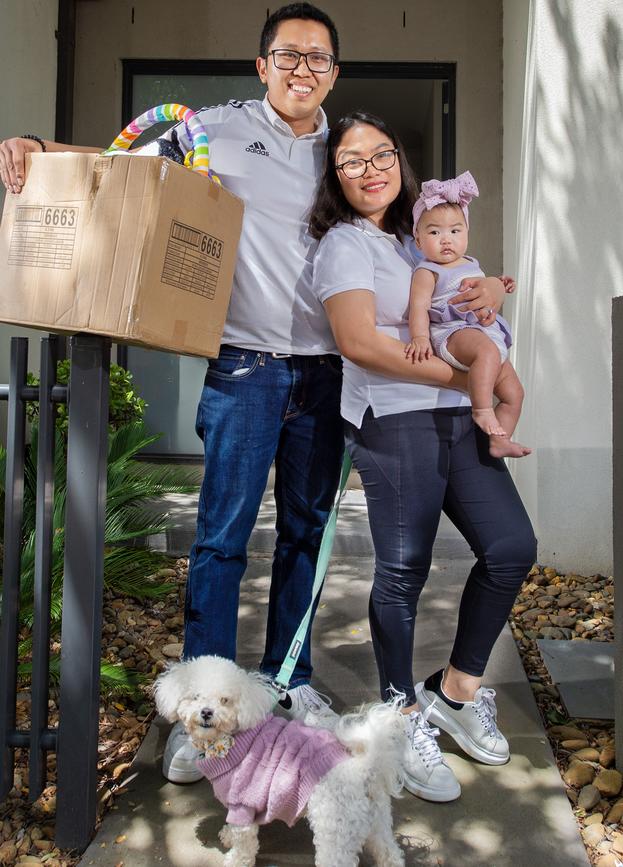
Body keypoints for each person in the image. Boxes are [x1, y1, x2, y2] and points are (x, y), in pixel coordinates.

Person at [0, 6, 508, 789]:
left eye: (319, 60)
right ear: (262, 64)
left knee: (307, 534)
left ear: (335, 73)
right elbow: (121, 162)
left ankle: (285, 679)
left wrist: (483, 286)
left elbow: (416, 248)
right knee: (221, 541)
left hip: (329, 371)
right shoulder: (215, 130)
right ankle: (199, 710)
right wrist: (41, 149)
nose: (303, 70)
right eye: (289, 55)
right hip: (246, 365)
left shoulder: (350, 155)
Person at [309, 110, 537, 803]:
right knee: (403, 569)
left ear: (400, 162)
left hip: (458, 422)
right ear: (336, 177)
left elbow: (466, 289)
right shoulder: (344, 245)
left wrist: (497, 287)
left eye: (382, 154)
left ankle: (457, 692)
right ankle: (401, 713)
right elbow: (361, 341)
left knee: (511, 547)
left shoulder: (424, 228)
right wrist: (472, 379)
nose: (371, 169)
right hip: (392, 419)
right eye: (352, 160)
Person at [406, 172, 531, 459]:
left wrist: (500, 282)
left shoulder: (471, 263)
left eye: (455, 230)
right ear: (418, 241)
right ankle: (482, 410)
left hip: (486, 333)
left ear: (467, 233)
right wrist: (420, 337)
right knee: (486, 353)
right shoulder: (428, 271)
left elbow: (480, 290)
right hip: (452, 332)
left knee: (515, 394)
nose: (445, 240)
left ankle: (501, 439)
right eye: (434, 232)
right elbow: (418, 307)